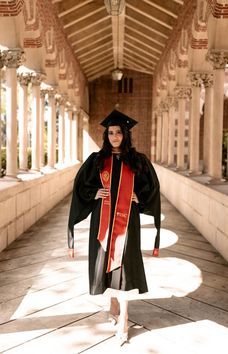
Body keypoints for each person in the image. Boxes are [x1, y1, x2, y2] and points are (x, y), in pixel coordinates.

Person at [68, 109, 161, 345]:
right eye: (110, 133)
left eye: (118, 132)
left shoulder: (138, 160)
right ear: (106, 135)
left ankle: (125, 316)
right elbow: (81, 187)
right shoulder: (97, 160)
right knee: (106, 263)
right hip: (102, 220)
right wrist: (94, 192)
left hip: (127, 220)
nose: (114, 137)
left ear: (125, 134)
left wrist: (139, 198)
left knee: (126, 265)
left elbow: (151, 188)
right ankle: (112, 302)